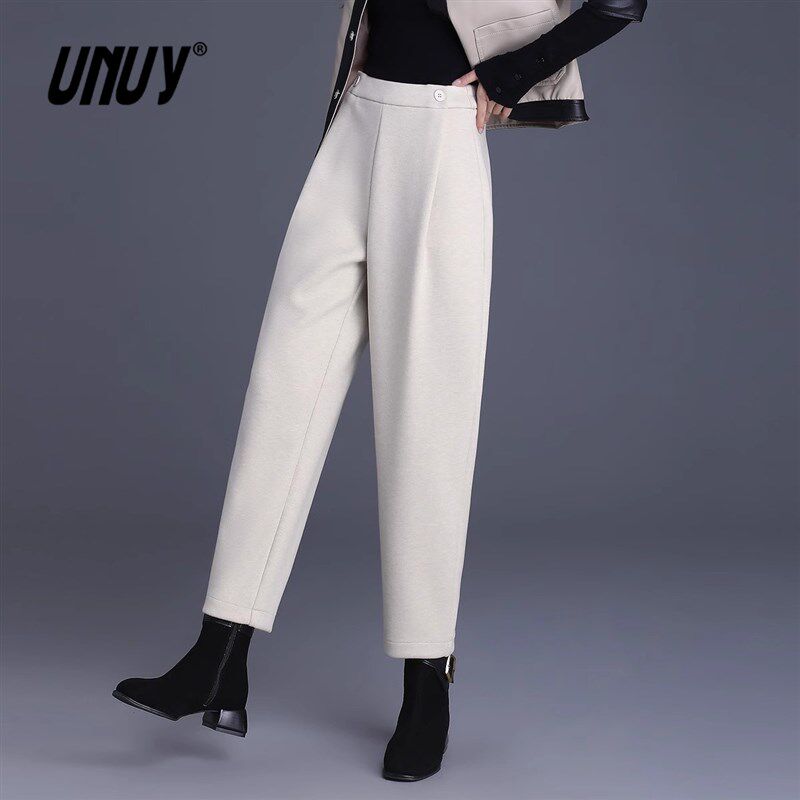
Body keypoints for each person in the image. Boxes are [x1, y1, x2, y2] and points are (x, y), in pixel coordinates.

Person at [113, 0, 647, 782]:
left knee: (426, 415)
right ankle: (219, 655)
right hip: (356, 116)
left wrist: (516, 72)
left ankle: (427, 683)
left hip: (441, 133)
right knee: (283, 389)